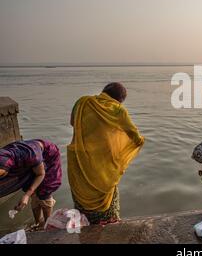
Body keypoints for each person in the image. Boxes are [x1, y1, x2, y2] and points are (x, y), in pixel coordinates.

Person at [68, 82, 145, 225]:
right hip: (103, 162)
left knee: (82, 195)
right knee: (106, 195)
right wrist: (140, 141)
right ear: (120, 100)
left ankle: (84, 226)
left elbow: (73, 122)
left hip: (79, 159)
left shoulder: (82, 102)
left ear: (104, 91)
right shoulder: (118, 110)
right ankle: (109, 227)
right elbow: (134, 135)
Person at [0, 139, 62, 229]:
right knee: (33, 193)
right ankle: (37, 222)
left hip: (48, 156)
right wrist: (29, 194)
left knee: (44, 191)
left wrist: (26, 195)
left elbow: (41, 174)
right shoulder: (5, 156)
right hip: (28, 161)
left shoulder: (32, 155)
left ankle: (47, 224)